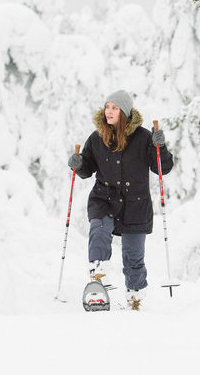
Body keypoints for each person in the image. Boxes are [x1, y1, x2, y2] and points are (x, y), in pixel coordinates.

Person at [68, 90, 173, 310]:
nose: (109, 111)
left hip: (136, 205)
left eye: (114, 107)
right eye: (107, 107)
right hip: (104, 200)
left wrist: (159, 147)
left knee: (134, 258)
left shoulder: (144, 137)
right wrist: (78, 164)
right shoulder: (97, 137)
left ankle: (135, 298)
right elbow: (87, 169)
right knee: (99, 229)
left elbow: (163, 167)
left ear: (124, 112)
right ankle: (98, 276)